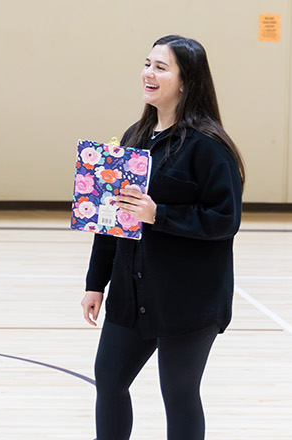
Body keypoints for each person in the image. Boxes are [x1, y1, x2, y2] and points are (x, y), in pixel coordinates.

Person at [80, 35, 245, 440]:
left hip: (189, 299)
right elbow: (110, 217)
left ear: (186, 81)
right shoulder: (134, 136)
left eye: (161, 67)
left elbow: (224, 220)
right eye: (147, 63)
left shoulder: (209, 147)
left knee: (180, 392)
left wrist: (159, 215)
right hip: (131, 292)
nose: (148, 73)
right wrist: (95, 284)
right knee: (110, 381)